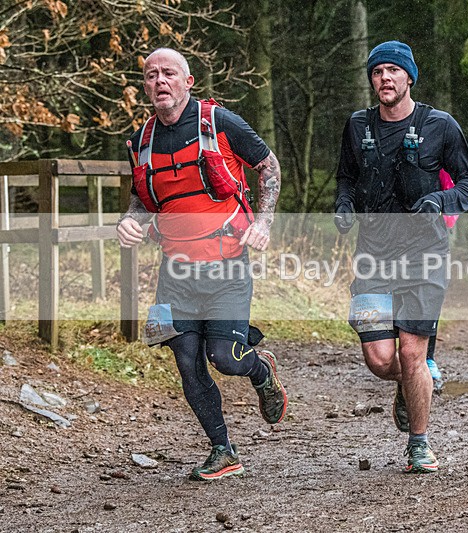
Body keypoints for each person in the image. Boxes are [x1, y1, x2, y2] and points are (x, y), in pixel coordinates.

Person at [116, 48, 286, 481]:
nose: (160, 81)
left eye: (169, 73)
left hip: (227, 264)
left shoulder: (220, 123)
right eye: (152, 75)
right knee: (188, 361)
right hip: (175, 272)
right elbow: (141, 199)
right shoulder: (141, 141)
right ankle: (222, 450)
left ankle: (260, 368)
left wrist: (263, 223)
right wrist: (129, 223)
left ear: (188, 81)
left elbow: (269, 167)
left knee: (226, 357)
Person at [334, 40, 468, 473]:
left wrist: (440, 200)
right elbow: (345, 177)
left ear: (409, 77)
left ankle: (419, 444)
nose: (385, 79)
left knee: (412, 354)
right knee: (382, 361)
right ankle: (413, 385)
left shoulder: (440, 125)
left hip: (425, 256)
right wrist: (343, 206)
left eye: (393, 72)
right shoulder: (357, 127)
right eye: (377, 72)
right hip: (373, 258)